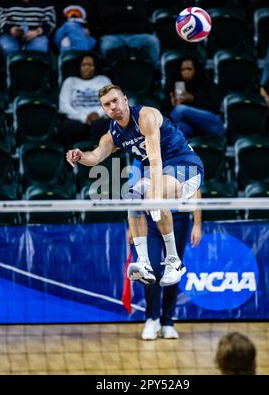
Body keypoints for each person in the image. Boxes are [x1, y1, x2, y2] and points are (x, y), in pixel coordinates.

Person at [66, 84, 204, 287]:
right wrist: (80, 156)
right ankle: (144, 263)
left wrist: (155, 195)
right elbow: (96, 157)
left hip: (186, 166)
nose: (113, 106)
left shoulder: (146, 116)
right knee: (133, 193)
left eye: (115, 100)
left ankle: (175, 261)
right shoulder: (113, 134)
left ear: (125, 99)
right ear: (104, 109)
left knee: (149, 192)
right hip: (162, 174)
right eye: (107, 104)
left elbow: (155, 158)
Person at [128, 158, 202, 339]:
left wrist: (197, 224)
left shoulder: (180, 153)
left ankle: (167, 321)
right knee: (150, 267)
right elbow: (133, 193)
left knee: (173, 268)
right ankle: (151, 319)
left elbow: (195, 190)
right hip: (150, 220)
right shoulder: (140, 159)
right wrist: (131, 226)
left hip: (178, 219)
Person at [58, 54, 112, 151]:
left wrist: (98, 114)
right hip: (76, 120)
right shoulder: (70, 81)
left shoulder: (104, 80)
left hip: (100, 119)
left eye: (90, 65)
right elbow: (64, 106)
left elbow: (111, 101)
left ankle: (106, 162)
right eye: (84, 65)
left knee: (110, 126)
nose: (87, 67)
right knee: (66, 128)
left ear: (95, 67)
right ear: (79, 67)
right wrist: (84, 117)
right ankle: (72, 164)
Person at [169, 58, 225, 138]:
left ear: (196, 70)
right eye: (183, 70)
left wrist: (193, 99)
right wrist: (173, 105)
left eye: (189, 69)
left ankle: (158, 134)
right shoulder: (177, 86)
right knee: (179, 127)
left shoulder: (207, 83)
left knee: (181, 109)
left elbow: (214, 106)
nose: (186, 72)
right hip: (192, 127)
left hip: (212, 124)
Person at [96, 0, 160, 68]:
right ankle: (107, 73)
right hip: (113, 36)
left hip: (137, 35)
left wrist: (117, 12)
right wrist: (127, 9)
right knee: (105, 46)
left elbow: (141, 13)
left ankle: (154, 71)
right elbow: (105, 13)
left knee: (153, 41)